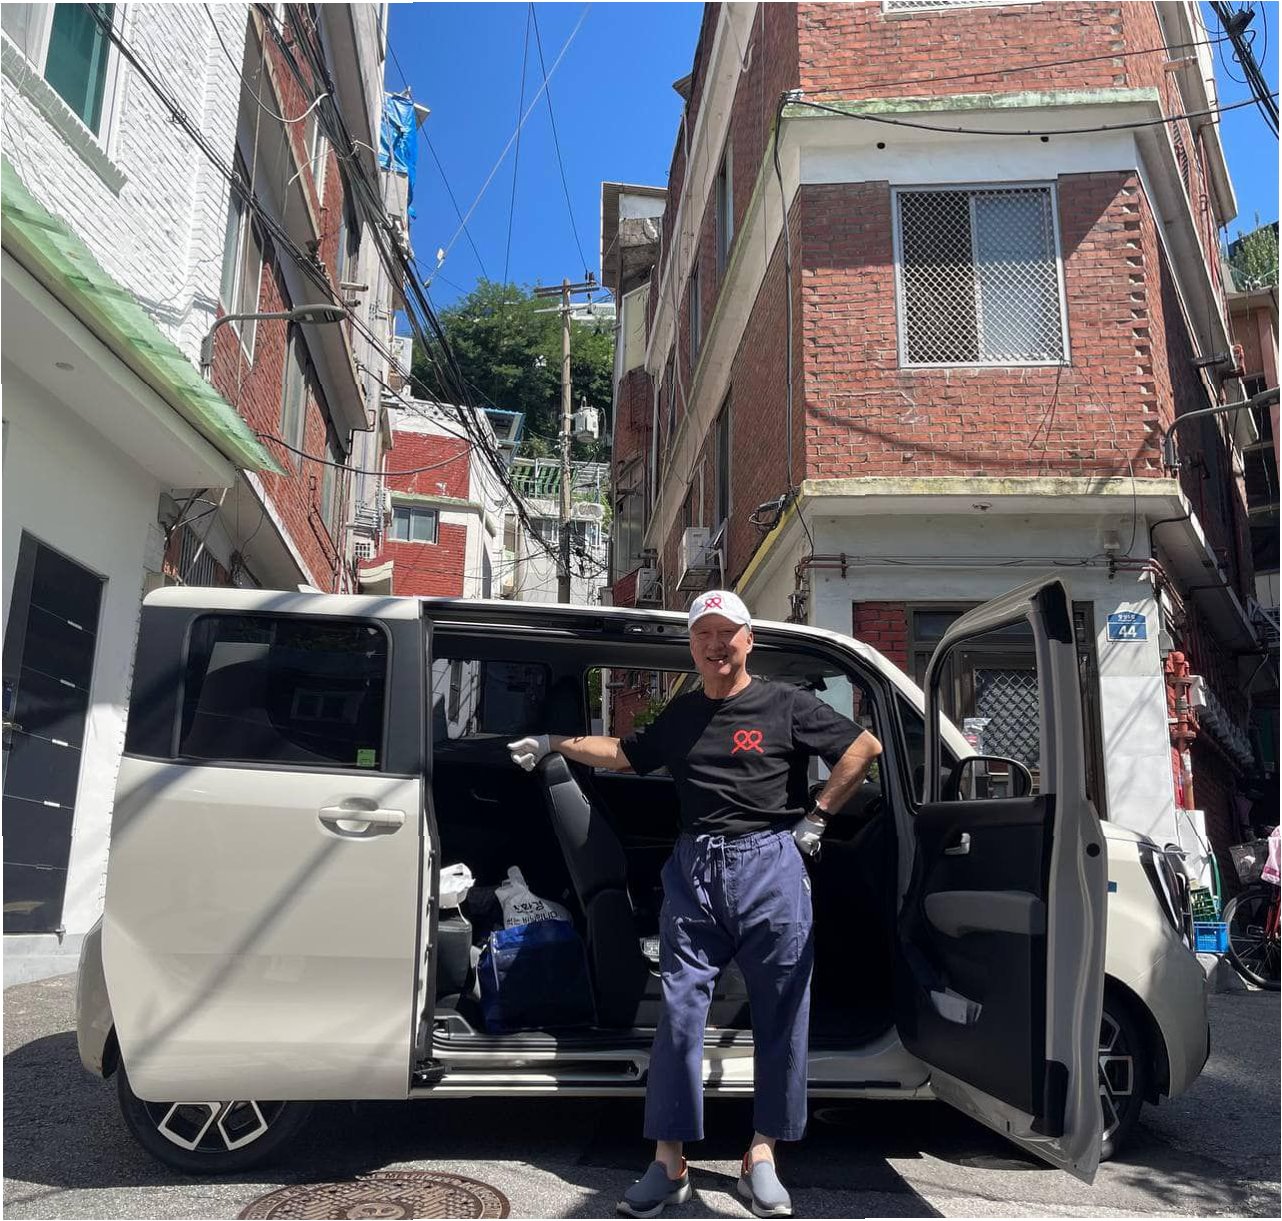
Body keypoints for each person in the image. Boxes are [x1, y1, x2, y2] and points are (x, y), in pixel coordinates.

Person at [508, 590, 882, 1218]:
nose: (715, 645)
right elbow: (624, 754)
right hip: (696, 869)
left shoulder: (786, 704)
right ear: (691, 644)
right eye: (703, 633)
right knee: (680, 1013)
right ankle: (669, 1162)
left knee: (781, 1013)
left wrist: (817, 818)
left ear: (748, 640)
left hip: (771, 864)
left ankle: (762, 1154)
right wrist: (555, 741)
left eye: (726, 633)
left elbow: (863, 747)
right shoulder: (682, 714)